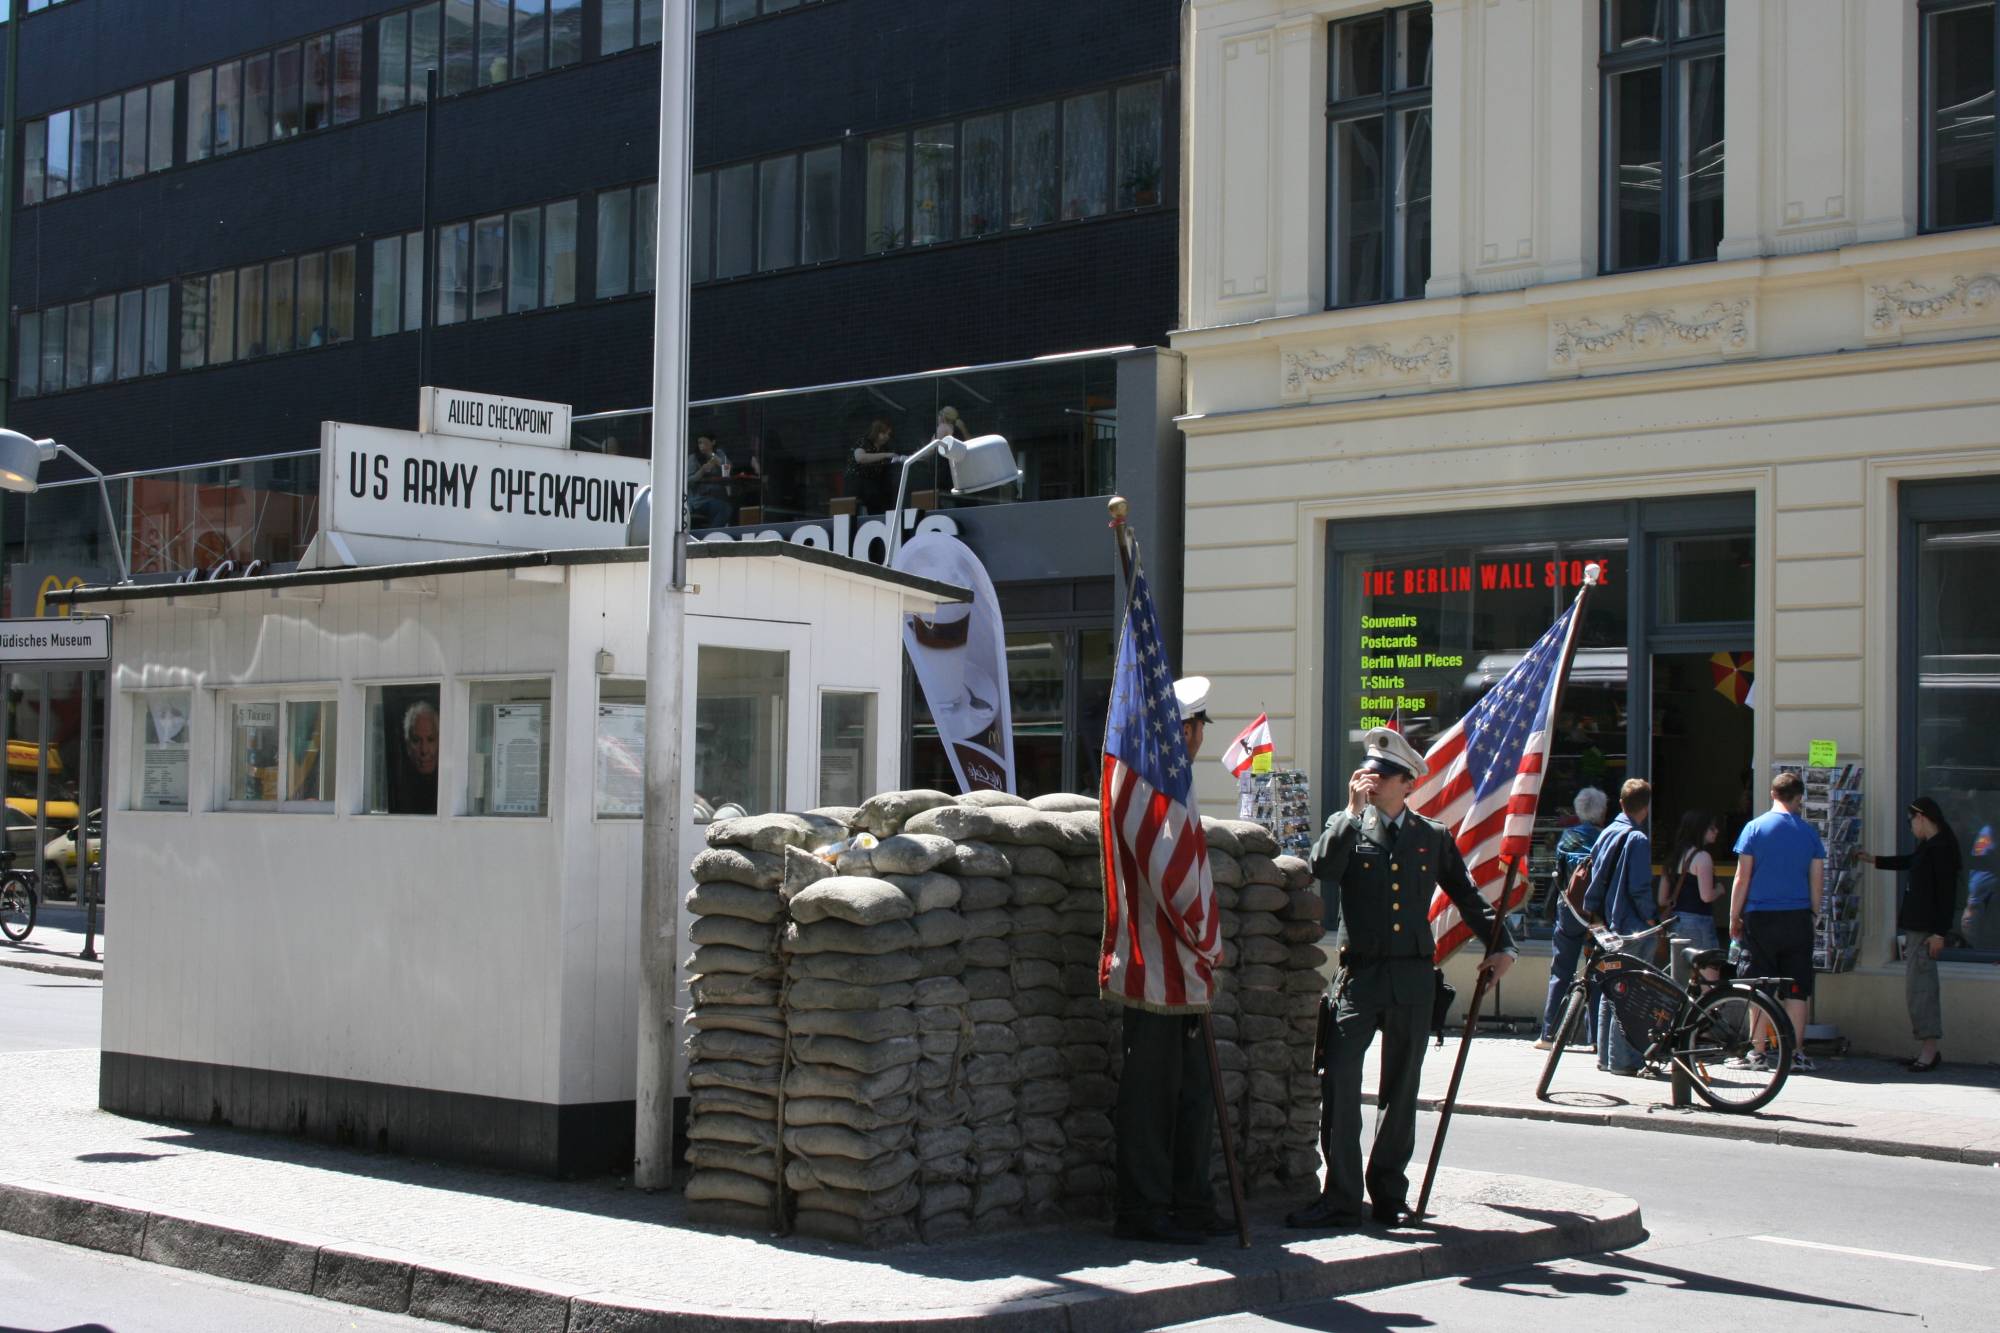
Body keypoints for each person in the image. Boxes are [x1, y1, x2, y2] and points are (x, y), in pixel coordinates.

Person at [1286, 727, 1515, 1231]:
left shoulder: (1430, 836)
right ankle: (1341, 1196)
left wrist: (1503, 946)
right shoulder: (1345, 824)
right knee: (1341, 1084)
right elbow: (1321, 866)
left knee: (1401, 1090)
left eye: (1385, 774)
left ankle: (1388, 1193)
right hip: (1359, 976)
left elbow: (1467, 894)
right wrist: (1348, 812)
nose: (1373, 779)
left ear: (1408, 784)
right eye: (1370, 771)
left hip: (1412, 976)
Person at [1113, 675, 1224, 1245]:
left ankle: (1190, 1200)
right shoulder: (1156, 786)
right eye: (1196, 726)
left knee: (1194, 1091)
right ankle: (1144, 1206)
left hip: (1183, 963)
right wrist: (1205, 938)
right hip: (1156, 960)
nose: (1198, 735)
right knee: (1152, 1093)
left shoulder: (1175, 783)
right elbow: (1168, 872)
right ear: (1184, 729)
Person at [1729, 770, 1826, 1074]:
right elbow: (1817, 878)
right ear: (1799, 798)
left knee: (1757, 985)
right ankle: (1796, 1052)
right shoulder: (1809, 833)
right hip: (1797, 917)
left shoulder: (1754, 829)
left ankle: (1758, 1053)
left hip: (1761, 916)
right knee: (1797, 987)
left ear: (1772, 794)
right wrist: (1813, 912)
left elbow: (1742, 877)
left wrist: (1734, 915)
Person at [1858, 797, 1962, 1073]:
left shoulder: (1941, 849)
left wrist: (1940, 932)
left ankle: (1929, 1051)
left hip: (1927, 932)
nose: (1910, 827)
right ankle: (1926, 1048)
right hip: (1917, 928)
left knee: (1922, 990)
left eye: (1910, 821)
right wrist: (1874, 860)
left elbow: (1947, 895)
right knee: (1916, 989)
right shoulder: (1927, 848)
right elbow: (1908, 862)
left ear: (1921, 817)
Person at [1581, 779, 1655, 1075]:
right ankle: (1624, 1060)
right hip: (1630, 926)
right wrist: (1652, 919)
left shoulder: (1608, 832)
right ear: (1646, 807)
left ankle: (1606, 1056)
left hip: (1607, 924)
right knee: (1632, 993)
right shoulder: (1637, 839)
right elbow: (1639, 888)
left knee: (1612, 990)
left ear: (1621, 803)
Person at [1536, 787, 1608, 1051]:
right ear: (1602, 812)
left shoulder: (1567, 838)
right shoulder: (1605, 838)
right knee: (1599, 972)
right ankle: (1596, 1038)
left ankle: (1548, 1033)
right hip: (1597, 914)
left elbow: (1557, 872)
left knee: (1561, 971)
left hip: (1569, 910)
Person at [1658, 809, 1723, 951]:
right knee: (1708, 969)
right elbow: (1706, 896)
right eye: (1712, 828)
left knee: (1681, 970)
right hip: (1698, 922)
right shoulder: (1703, 857)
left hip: (1676, 922)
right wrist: (1719, 890)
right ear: (1699, 829)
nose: (1716, 831)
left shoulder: (1673, 858)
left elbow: (1662, 900)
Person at [849, 419, 903, 515]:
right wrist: (885, 455)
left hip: (875, 485)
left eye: (888, 434)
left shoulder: (885, 448)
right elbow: (860, 458)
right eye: (883, 433)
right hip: (857, 483)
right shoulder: (864, 442)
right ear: (876, 433)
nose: (886, 437)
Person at [400, 699, 439, 816]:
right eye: (416, 740)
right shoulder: (399, 790)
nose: (424, 750)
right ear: (407, 745)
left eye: (431, 739)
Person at [687, 434, 734, 529]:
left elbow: (728, 472)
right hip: (700, 500)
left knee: (733, 506)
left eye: (705, 442)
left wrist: (718, 461)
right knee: (724, 509)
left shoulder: (719, 454)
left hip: (719, 496)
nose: (702, 446)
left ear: (713, 442)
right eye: (700, 443)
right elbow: (688, 481)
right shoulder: (693, 458)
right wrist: (701, 471)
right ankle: (712, 534)